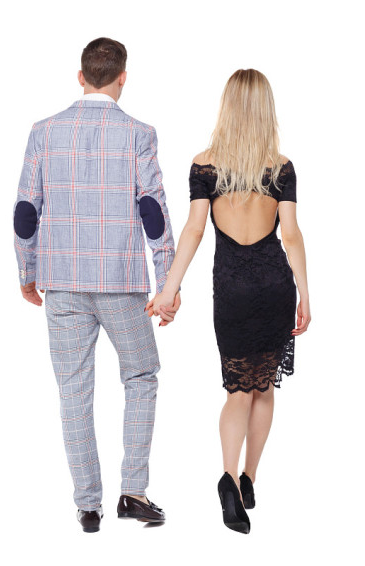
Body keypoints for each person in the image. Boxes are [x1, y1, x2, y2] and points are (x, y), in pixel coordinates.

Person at [13, 37, 180, 533]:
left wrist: (27, 273)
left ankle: (88, 506)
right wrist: (167, 283)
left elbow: (25, 212)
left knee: (73, 391)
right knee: (141, 376)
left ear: (80, 77)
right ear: (123, 77)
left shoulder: (44, 132)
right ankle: (133, 492)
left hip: (61, 284)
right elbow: (153, 212)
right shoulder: (139, 134)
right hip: (120, 283)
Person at [146, 69, 311, 534]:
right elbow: (291, 235)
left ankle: (228, 478)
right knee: (264, 388)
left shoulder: (205, 165)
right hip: (275, 286)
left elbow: (195, 231)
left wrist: (169, 290)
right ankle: (249, 478)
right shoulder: (281, 167)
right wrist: (305, 292)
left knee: (238, 390)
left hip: (232, 289)